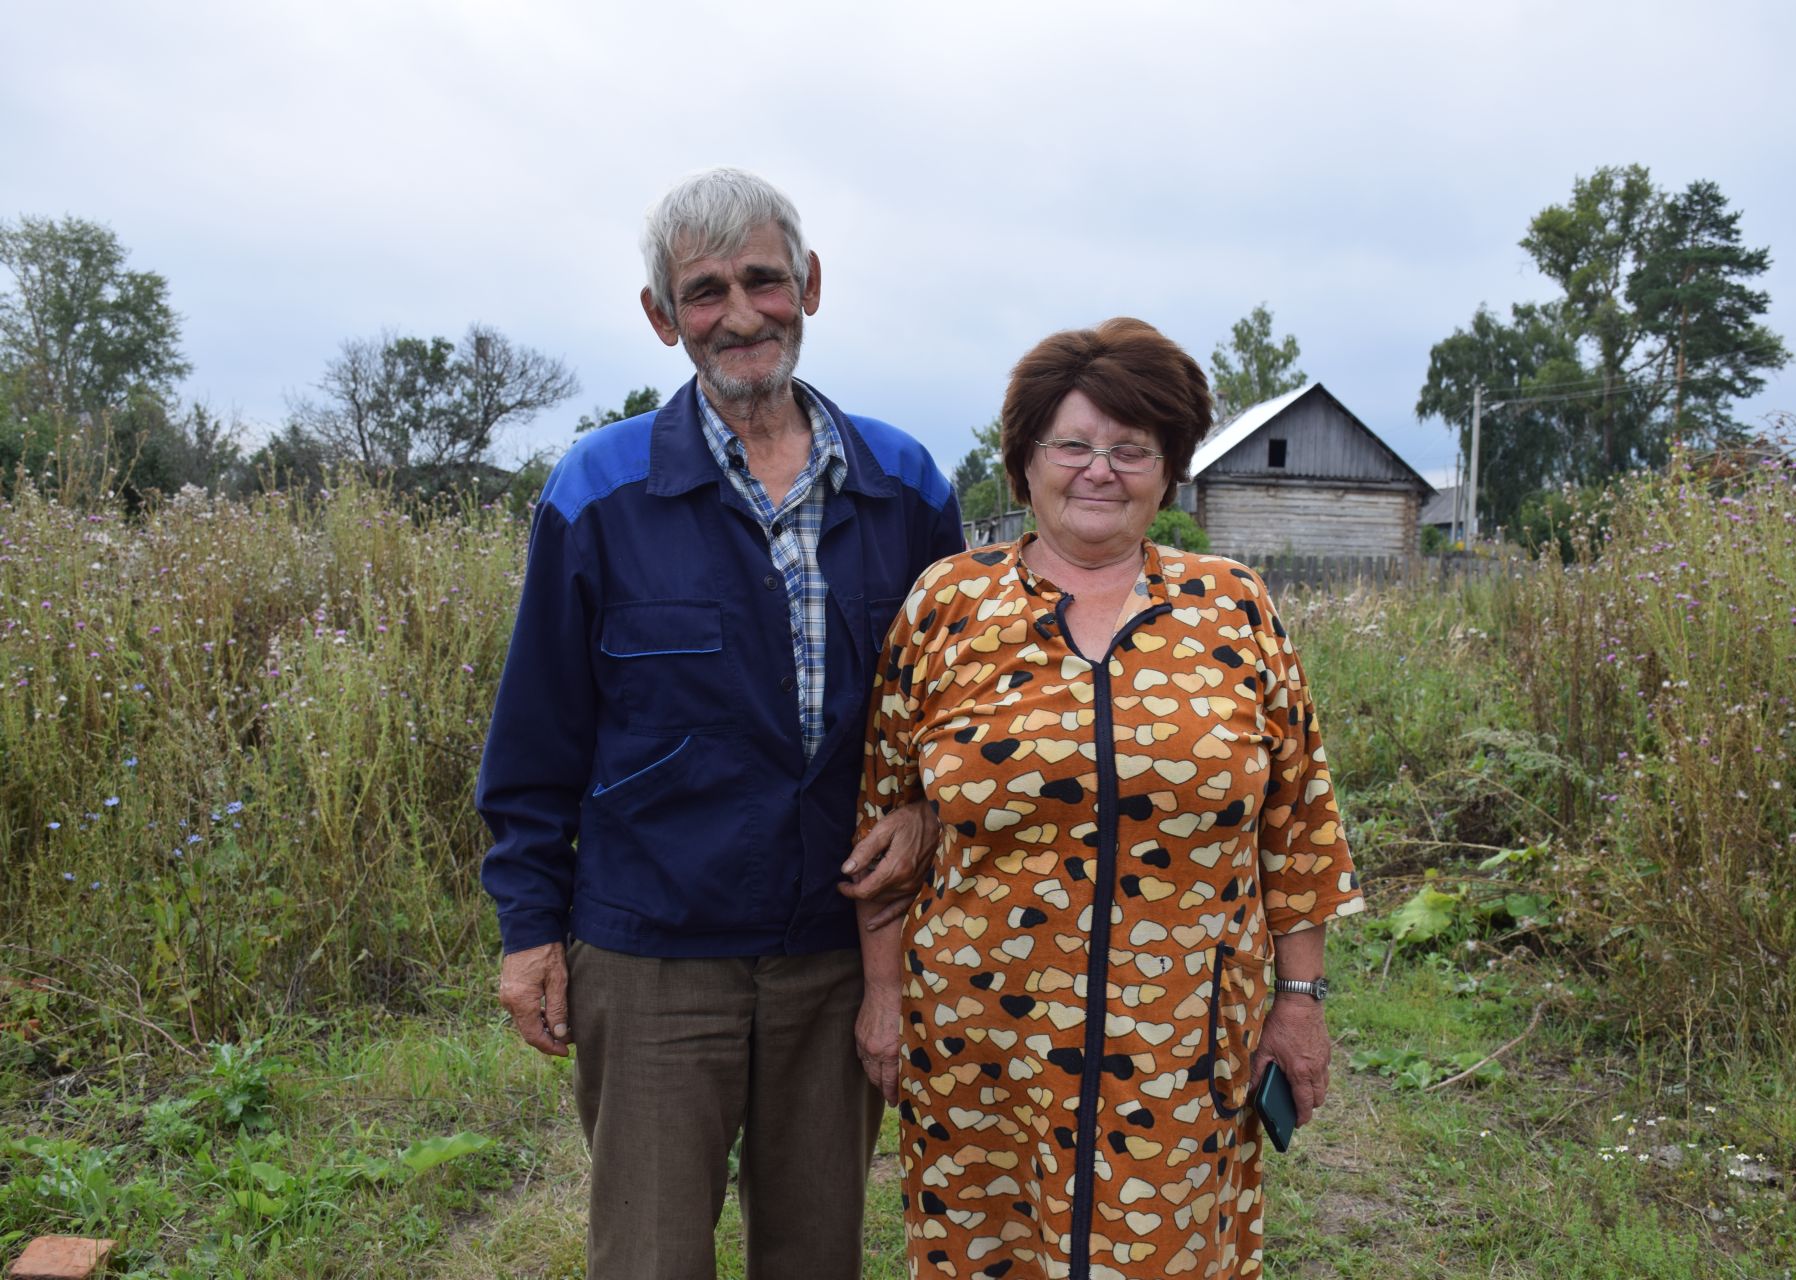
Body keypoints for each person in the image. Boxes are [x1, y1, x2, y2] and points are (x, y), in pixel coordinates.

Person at [477, 167, 963, 1280]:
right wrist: (528, 926)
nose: (739, 314)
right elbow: (538, 735)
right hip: (652, 950)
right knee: (648, 1254)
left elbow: (960, 719)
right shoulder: (598, 493)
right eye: (704, 292)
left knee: (814, 1251)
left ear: (812, 286)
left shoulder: (904, 485)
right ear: (662, 317)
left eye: (763, 280)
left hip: (837, 948)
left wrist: (932, 814)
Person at [853, 317, 1365, 1278]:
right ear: (1025, 463)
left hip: (1180, 1038)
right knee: (985, 1257)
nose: (1101, 470)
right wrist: (884, 995)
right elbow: (883, 818)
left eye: (1132, 449)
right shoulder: (948, 608)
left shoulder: (1234, 607)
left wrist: (1298, 1002)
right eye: (1074, 446)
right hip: (980, 1033)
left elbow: (1299, 827)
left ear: (1168, 469)